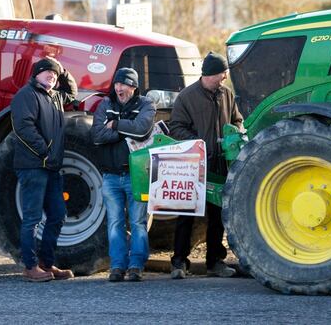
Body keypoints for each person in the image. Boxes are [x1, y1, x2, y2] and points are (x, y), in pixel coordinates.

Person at [169, 52, 244, 279]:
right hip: (194, 164)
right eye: (222, 74)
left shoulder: (227, 94)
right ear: (211, 74)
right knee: (186, 214)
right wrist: (198, 144)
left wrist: (237, 131)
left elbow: (237, 119)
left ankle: (215, 262)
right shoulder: (186, 97)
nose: (224, 78)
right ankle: (179, 262)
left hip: (221, 165)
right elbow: (176, 127)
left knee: (218, 214)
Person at [11, 56, 78, 282]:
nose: (52, 76)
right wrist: (45, 153)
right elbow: (23, 127)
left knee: (58, 214)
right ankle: (30, 267)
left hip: (51, 167)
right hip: (33, 166)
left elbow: (73, 92)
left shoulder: (55, 96)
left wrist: (62, 68)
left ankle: (46, 263)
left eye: (55, 74)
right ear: (36, 74)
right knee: (32, 219)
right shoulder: (25, 96)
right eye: (47, 72)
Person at [90, 67, 155, 282]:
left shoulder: (146, 104)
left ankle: (136, 265)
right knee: (115, 222)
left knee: (138, 222)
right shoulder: (105, 104)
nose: (119, 88)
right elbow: (97, 136)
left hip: (136, 176)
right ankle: (117, 266)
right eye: (117, 84)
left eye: (124, 84)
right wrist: (126, 132)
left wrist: (115, 125)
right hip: (110, 176)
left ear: (134, 87)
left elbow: (143, 130)